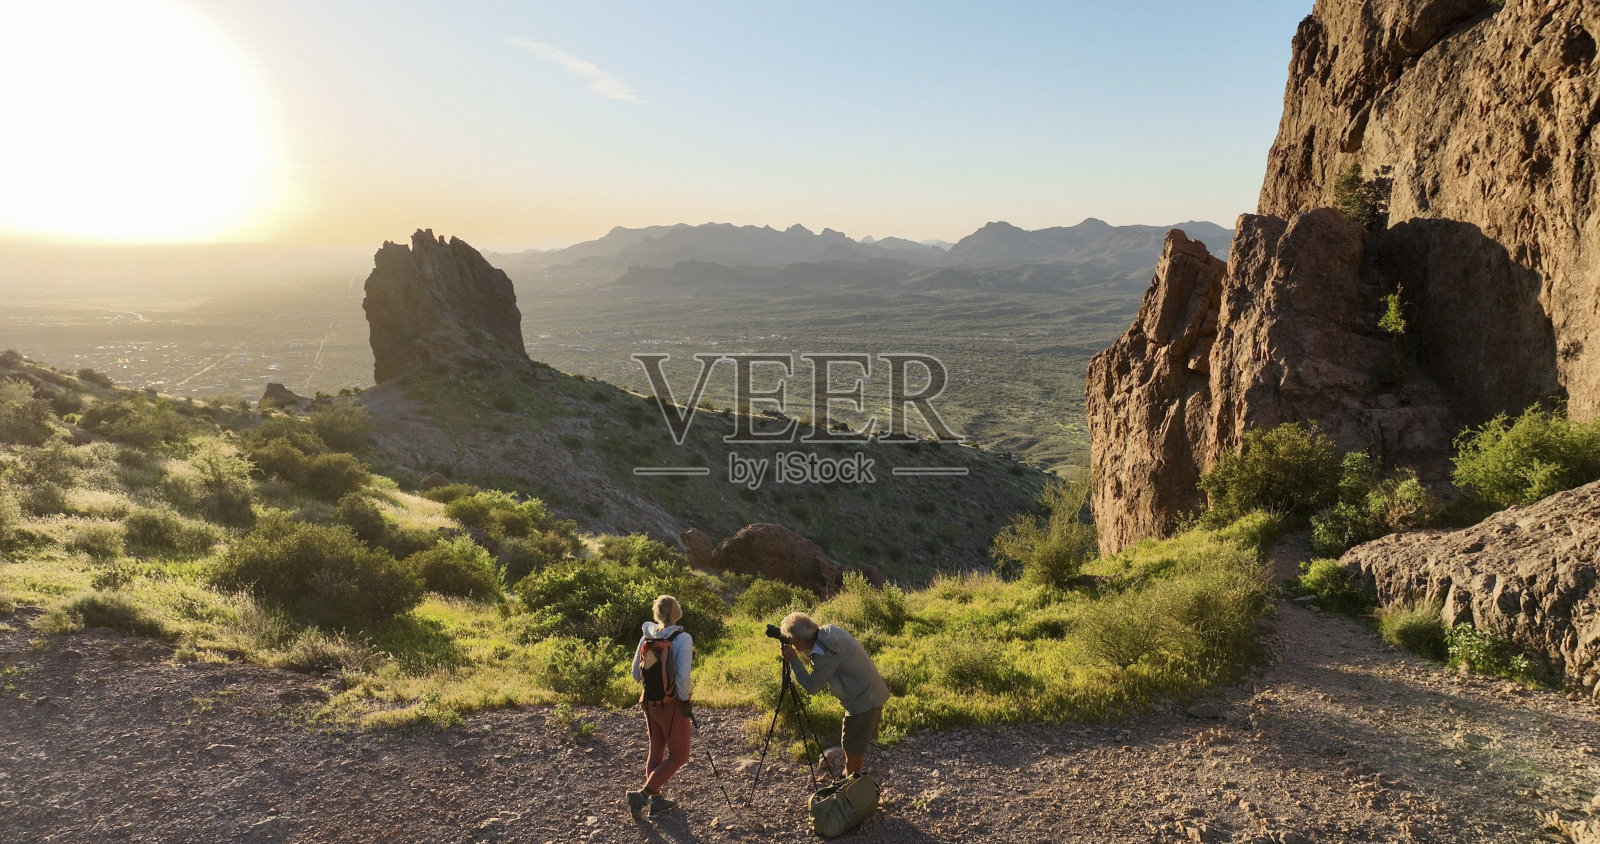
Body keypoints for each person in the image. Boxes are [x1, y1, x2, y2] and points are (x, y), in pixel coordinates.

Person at [779, 611, 890, 778]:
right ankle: (850, 775)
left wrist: (793, 660)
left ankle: (852, 783)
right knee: (852, 743)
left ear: (800, 640)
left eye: (792, 640)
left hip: (863, 702)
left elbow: (812, 687)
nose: (791, 644)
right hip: (870, 693)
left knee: (853, 746)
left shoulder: (825, 653)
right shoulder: (829, 632)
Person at [626, 595, 694, 820]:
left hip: (648, 701)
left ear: (656, 613)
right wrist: (684, 699)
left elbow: (636, 674)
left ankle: (656, 801)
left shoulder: (647, 635)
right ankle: (642, 796)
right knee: (680, 755)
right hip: (670, 703)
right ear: (677, 612)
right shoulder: (683, 638)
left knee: (656, 749)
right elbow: (682, 677)